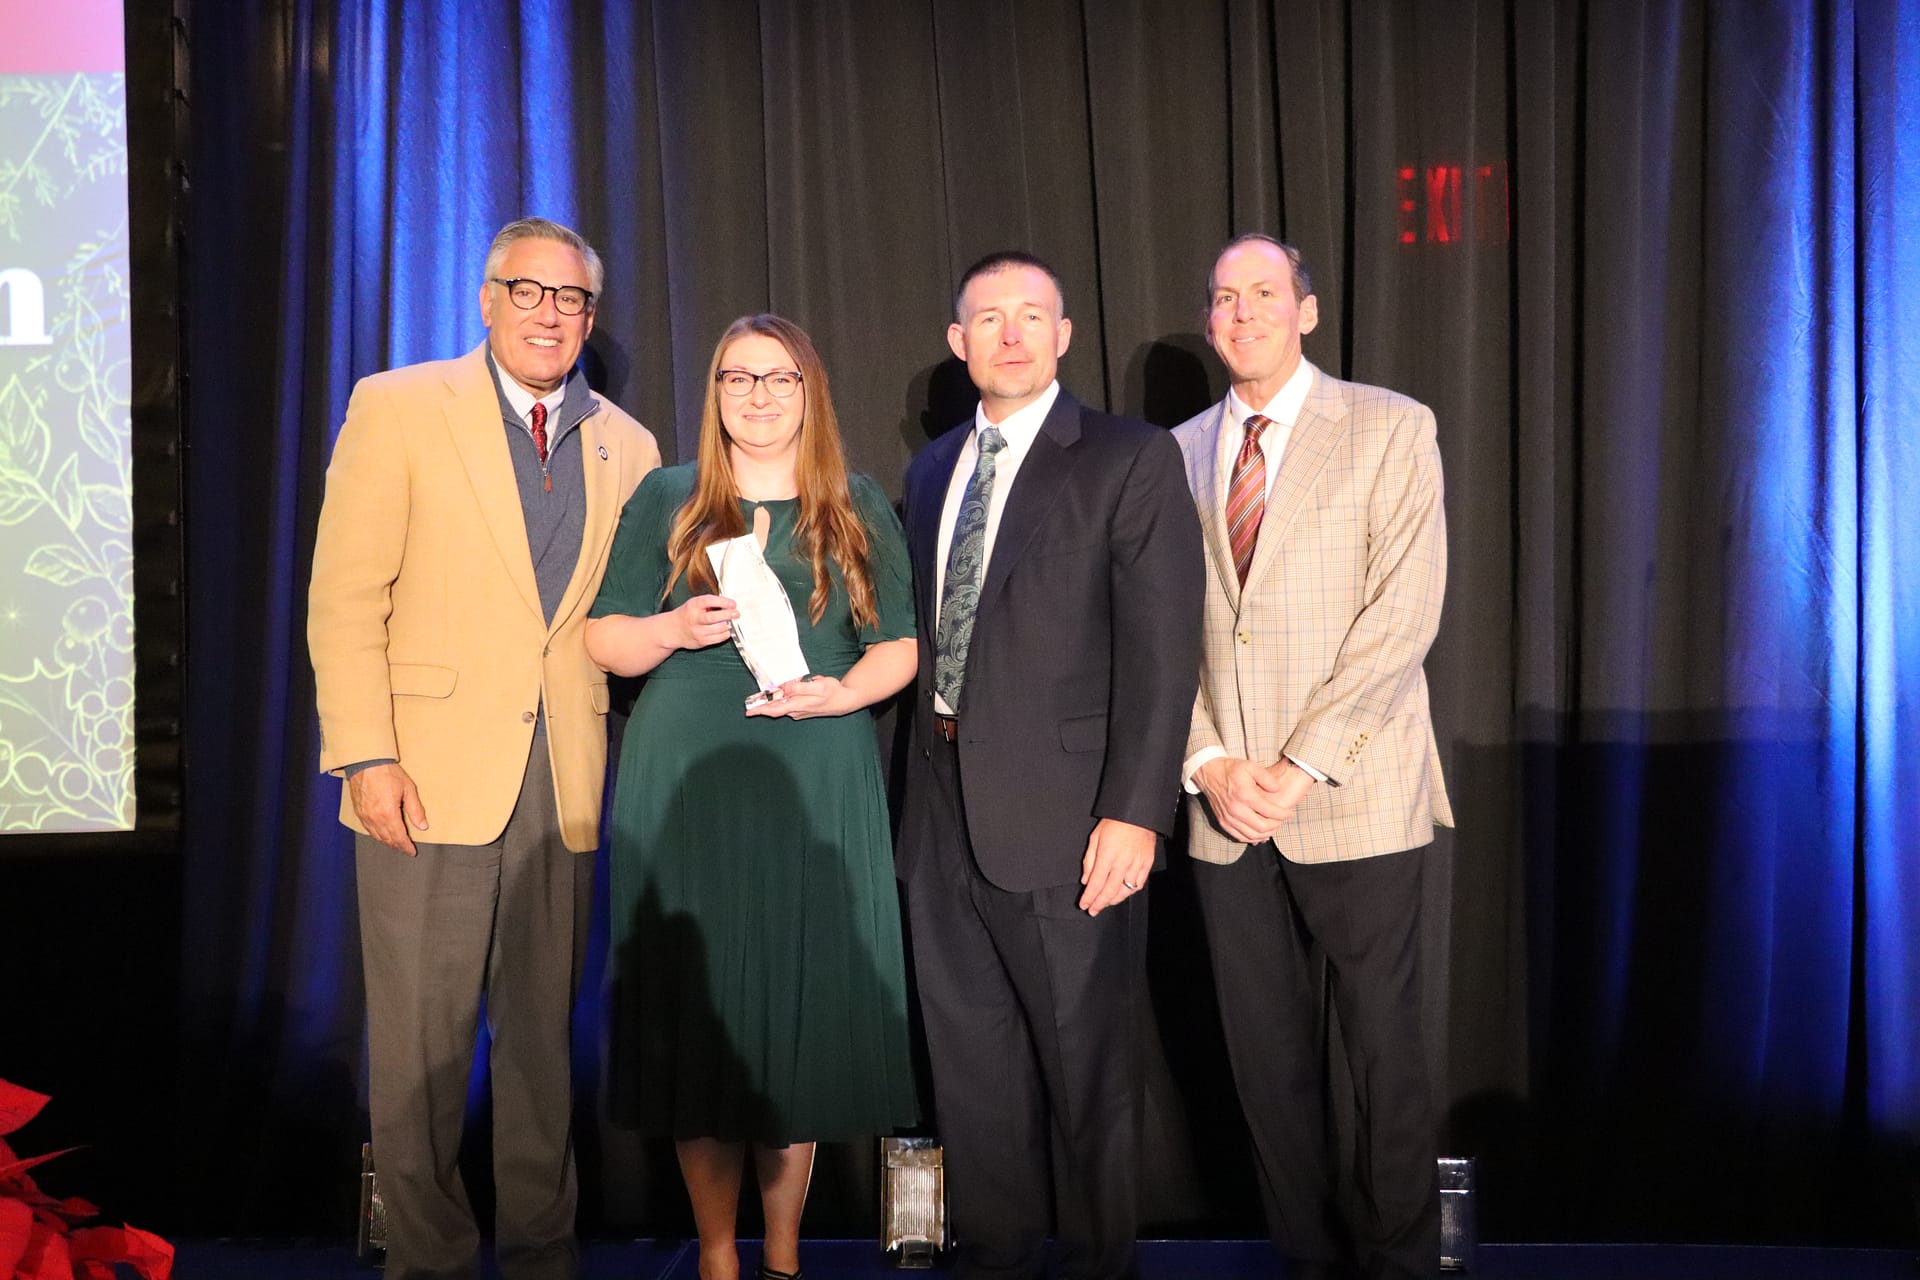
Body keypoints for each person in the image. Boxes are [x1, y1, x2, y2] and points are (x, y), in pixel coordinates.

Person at [308, 217, 659, 1280]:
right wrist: (365, 754)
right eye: (529, 291)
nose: (550, 314)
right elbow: (344, 594)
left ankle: (543, 1257)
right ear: (487, 298)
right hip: (422, 776)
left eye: (571, 300)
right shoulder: (400, 405)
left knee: (544, 1050)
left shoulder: (628, 444)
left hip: (566, 786)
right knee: (418, 1055)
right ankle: (429, 1261)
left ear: (592, 318)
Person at [585, 314, 920, 1280]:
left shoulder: (853, 502)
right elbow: (604, 639)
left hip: (814, 773)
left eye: (780, 379)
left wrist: (843, 691)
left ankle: (783, 1256)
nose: (760, 396)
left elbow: (897, 643)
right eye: (739, 378)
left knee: (794, 1014)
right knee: (705, 1014)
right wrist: (673, 629)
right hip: (688, 776)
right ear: (716, 394)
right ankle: (718, 1257)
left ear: (810, 392)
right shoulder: (669, 498)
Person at [896, 251, 1203, 1280]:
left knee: (1088, 1071)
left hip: (1073, 819)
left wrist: (1136, 810)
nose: (1012, 333)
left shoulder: (1126, 456)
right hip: (940, 807)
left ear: (1064, 334)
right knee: (971, 1064)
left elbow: (1165, 651)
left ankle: (1097, 1261)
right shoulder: (933, 468)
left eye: (1033, 315)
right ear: (959, 341)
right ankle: (991, 1253)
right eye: (989, 317)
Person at [1173, 233, 1453, 1280]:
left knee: (1385, 1062)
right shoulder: (1176, 448)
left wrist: (1298, 762)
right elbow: (1157, 633)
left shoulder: (1388, 426)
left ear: (1307, 309)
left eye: (1262, 293)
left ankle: (1399, 1265)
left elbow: (1404, 612)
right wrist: (1208, 761)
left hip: (1356, 790)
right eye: (1222, 296)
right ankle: (1307, 1262)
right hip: (1222, 807)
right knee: (1266, 1069)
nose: (1240, 312)